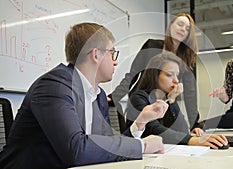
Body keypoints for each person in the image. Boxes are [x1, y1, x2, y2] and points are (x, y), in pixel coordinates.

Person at [0, 23, 169, 169]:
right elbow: (76, 150)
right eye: (113, 53)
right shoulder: (55, 86)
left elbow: (106, 147)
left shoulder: (99, 95)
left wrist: (139, 124)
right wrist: (143, 145)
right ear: (96, 54)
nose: (116, 61)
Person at [109, 13, 202, 135]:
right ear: (170, 26)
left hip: (166, 102)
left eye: (187, 28)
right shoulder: (151, 45)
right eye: (180, 24)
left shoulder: (187, 57)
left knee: (170, 135)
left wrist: (194, 124)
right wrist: (114, 96)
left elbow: (191, 93)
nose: (183, 29)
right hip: (143, 99)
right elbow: (132, 74)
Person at [124, 52, 228, 149]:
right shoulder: (138, 98)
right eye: (170, 75)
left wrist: (172, 100)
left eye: (177, 75)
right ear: (155, 75)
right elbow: (153, 128)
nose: (176, 80)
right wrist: (192, 140)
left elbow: (182, 131)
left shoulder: (166, 99)